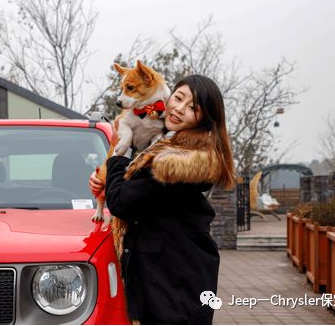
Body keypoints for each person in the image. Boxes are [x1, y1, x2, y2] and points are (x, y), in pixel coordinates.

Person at [89, 75, 235, 324]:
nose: (180, 109)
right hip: (172, 278)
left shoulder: (175, 164)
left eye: (193, 108)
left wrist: (116, 156)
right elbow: (129, 190)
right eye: (178, 98)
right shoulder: (167, 147)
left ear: (204, 120)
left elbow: (122, 202)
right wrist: (108, 177)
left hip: (172, 286)